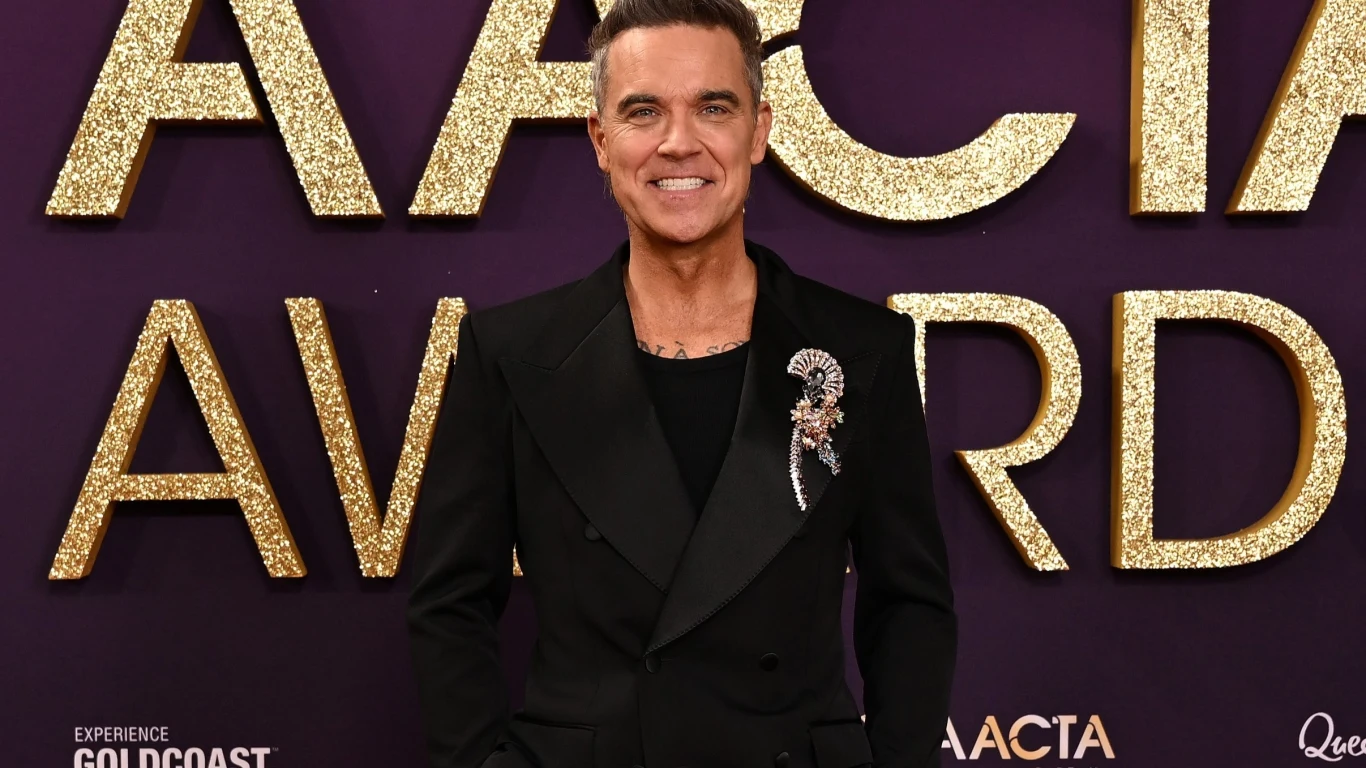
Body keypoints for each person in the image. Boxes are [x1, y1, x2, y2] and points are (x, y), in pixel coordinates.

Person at [406, 1, 956, 766]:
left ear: (758, 131)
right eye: (643, 112)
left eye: (713, 108)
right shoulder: (510, 354)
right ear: (601, 140)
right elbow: (448, 605)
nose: (678, 142)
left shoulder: (861, 353)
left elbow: (910, 606)